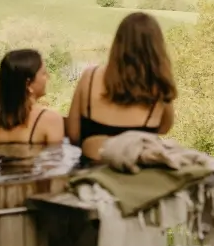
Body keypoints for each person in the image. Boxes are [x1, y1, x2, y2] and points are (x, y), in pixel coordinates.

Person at [66, 12, 177, 162]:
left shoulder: (89, 77)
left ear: (118, 43)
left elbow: (73, 134)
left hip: (90, 177)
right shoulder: (159, 87)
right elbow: (164, 128)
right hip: (133, 180)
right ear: (156, 48)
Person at [0, 49, 65, 145]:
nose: (48, 77)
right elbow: (55, 158)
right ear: (28, 84)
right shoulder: (49, 119)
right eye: (43, 73)